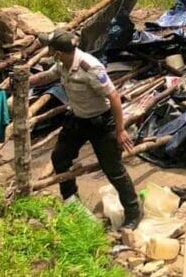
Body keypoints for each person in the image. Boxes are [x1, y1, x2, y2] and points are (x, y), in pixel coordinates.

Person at [29, 28, 141, 229]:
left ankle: (133, 214)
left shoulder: (90, 68)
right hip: (78, 120)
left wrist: (120, 130)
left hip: (101, 123)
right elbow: (48, 76)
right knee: (60, 158)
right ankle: (71, 200)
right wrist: (25, 80)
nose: (47, 51)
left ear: (58, 52)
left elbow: (114, 97)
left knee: (113, 169)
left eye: (50, 49)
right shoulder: (62, 63)